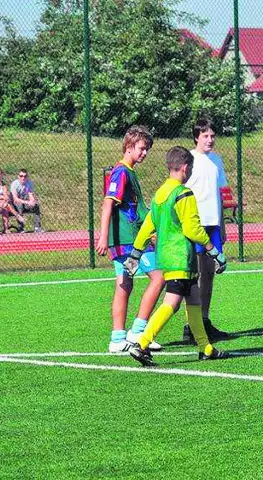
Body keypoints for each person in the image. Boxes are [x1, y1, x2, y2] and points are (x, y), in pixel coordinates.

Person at [124, 146, 229, 367]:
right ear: (185, 167)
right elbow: (192, 229)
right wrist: (214, 251)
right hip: (181, 257)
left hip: (168, 257)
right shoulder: (184, 193)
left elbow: (147, 226)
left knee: (194, 299)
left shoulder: (160, 194)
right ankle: (141, 343)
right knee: (172, 302)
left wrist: (135, 254)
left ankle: (205, 348)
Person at [96, 125, 165, 353]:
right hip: (127, 241)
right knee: (158, 277)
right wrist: (104, 236)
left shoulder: (130, 172)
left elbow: (137, 209)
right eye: (142, 148)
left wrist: (152, 232)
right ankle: (138, 331)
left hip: (131, 239)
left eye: (147, 149)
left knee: (125, 284)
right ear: (129, 146)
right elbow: (108, 203)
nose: (145, 153)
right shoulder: (121, 172)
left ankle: (117, 338)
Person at [182, 118, 231, 343]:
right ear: (196, 137)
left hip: (213, 226)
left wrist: (222, 226)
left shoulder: (216, 160)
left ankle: (204, 319)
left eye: (212, 136)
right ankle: (190, 326)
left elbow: (219, 195)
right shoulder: (189, 160)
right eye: (205, 136)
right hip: (196, 225)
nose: (210, 140)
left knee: (210, 273)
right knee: (195, 275)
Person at [0, 167, 24, 235]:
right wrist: (3, 197)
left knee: (5, 206)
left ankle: (6, 229)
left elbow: (6, 195)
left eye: (0, 174)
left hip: (0, 203)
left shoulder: (3, 183)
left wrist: (4, 198)